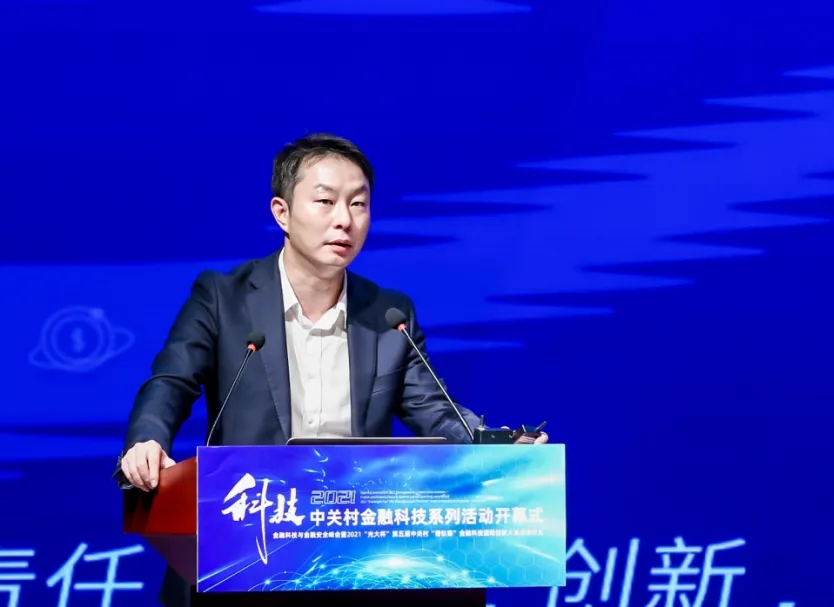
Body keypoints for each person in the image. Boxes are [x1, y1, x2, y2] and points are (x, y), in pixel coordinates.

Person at [117, 132, 548, 607]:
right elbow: (172, 381)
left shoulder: (388, 314)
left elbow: (435, 409)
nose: (344, 219)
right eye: (325, 201)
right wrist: (148, 440)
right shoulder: (223, 298)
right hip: (249, 544)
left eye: (358, 204)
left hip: (349, 553)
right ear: (282, 212)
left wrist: (495, 446)